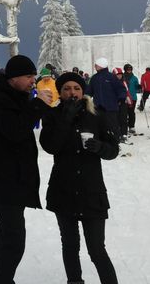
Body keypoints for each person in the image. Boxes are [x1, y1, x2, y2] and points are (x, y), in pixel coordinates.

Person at [40, 72, 120, 284]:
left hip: (91, 191)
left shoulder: (96, 115)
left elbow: (114, 150)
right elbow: (50, 146)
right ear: (61, 92)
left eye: (76, 88)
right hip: (63, 190)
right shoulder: (52, 115)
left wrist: (101, 147)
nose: (72, 92)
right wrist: (66, 118)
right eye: (66, 88)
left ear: (83, 91)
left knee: (96, 248)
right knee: (70, 245)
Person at [0, 54, 53, 284]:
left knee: (6, 234)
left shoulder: (15, 95)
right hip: (4, 179)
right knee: (13, 237)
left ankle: (2, 279)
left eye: (34, 75)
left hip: (14, 178)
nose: (34, 80)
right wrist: (38, 104)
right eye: (29, 76)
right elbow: (15, 130)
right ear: (13, 78)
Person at [87, 58, 126, 141]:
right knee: (99, 126)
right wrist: (85, 98)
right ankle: (102, 142)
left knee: (113, 126)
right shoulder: (94, 78)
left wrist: (121, 99)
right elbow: (89, 91)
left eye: (96, 65)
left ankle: (116, 142)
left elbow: (121, 89)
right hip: (98, 107)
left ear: (101, 65)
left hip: (111, 107)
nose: (95, 66)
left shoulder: (111, 77)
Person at [122, 64, 139, 134]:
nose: (129, 70)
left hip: (133, 98)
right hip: (124, 97)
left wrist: (139, 87)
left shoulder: (134, 78)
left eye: (130, 69)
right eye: (128, 69)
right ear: (125, 69)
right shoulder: (122, 77)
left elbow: (137, 87)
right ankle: (124, 127)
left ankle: (131, 126)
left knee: (131, 112)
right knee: (124, 113)